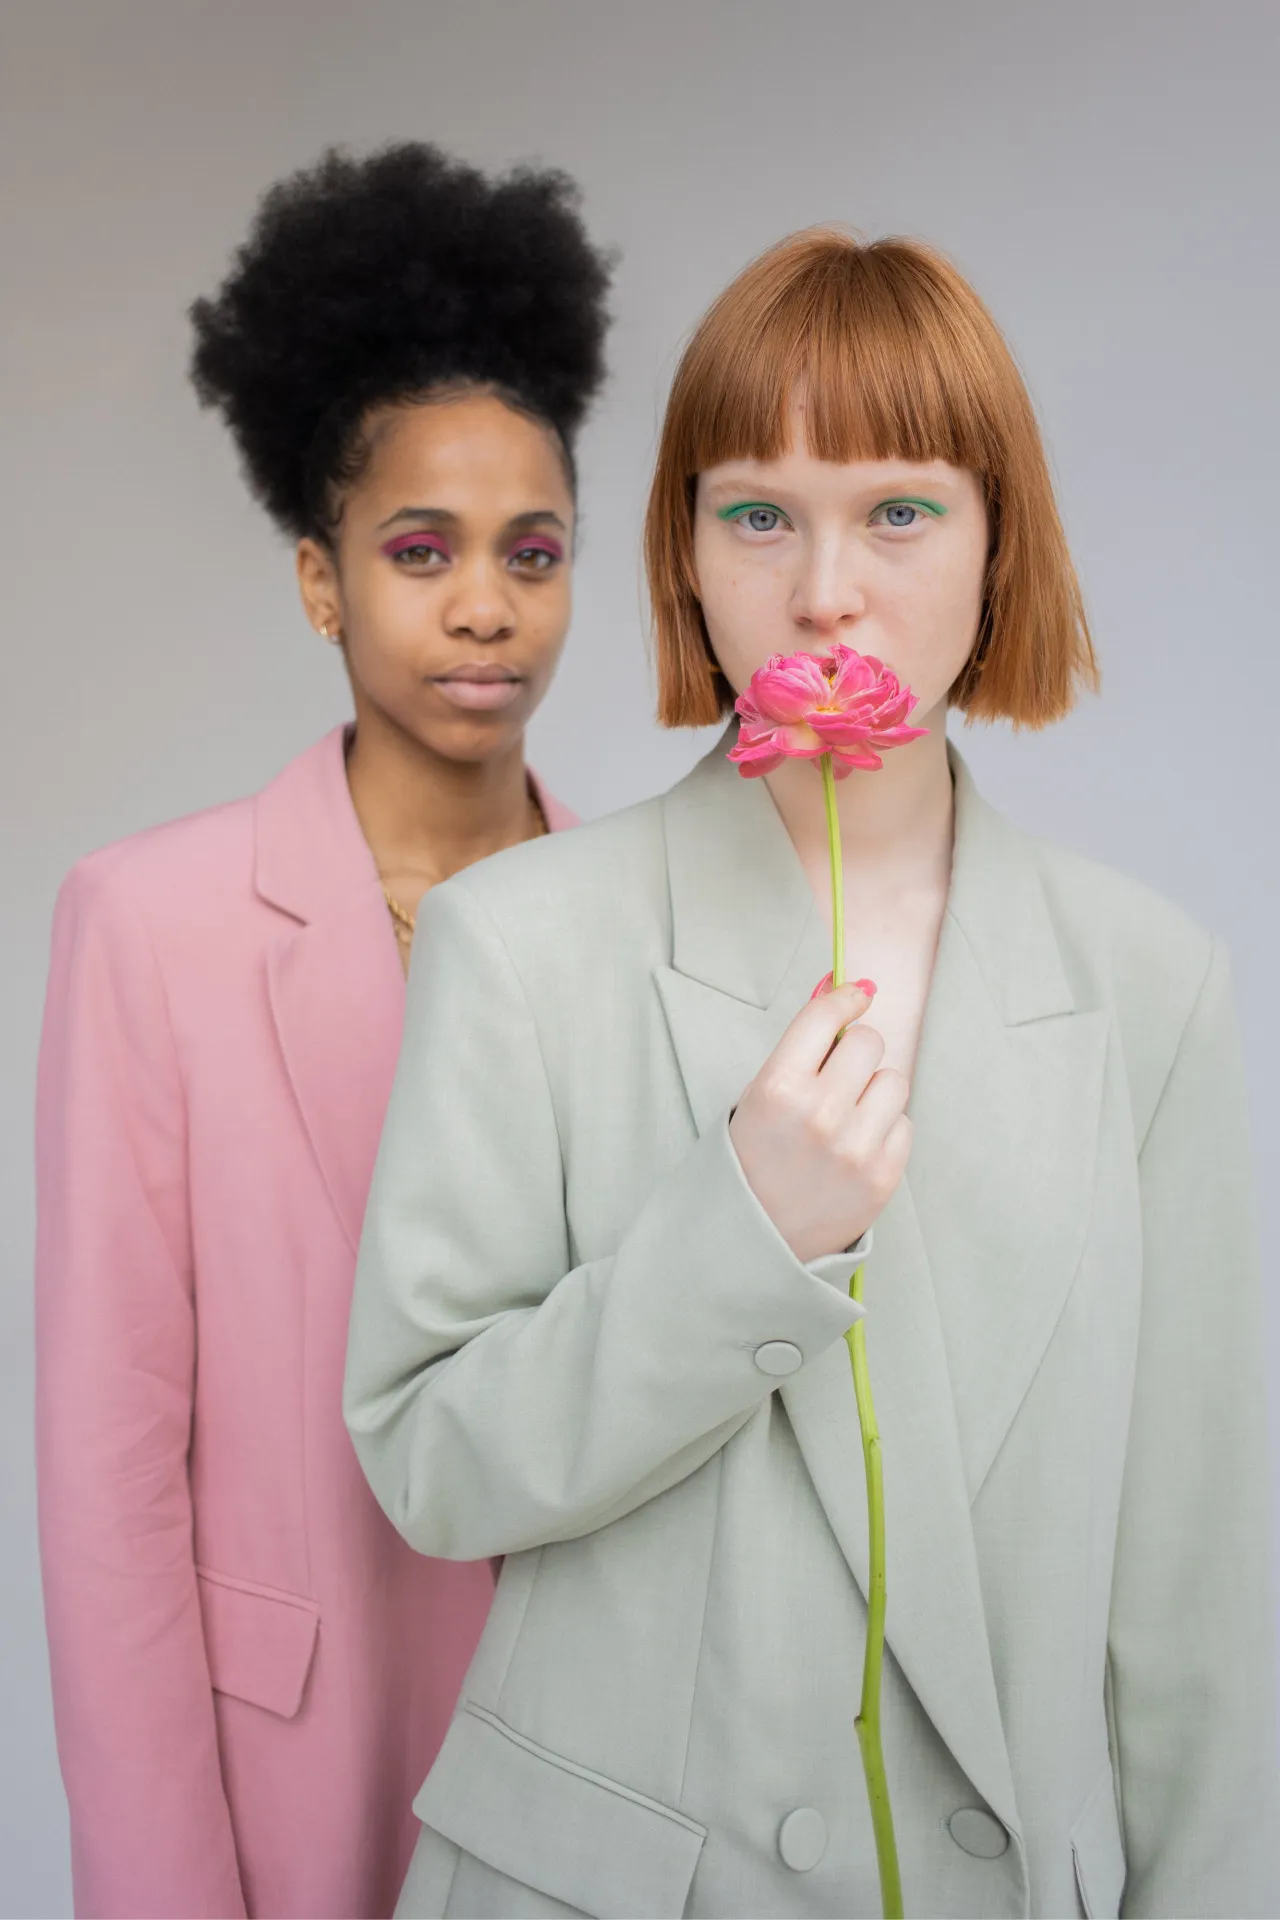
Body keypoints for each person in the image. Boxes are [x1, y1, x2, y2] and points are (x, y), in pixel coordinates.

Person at [344, 228, 1278, 1919]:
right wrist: (738, 1238)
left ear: (1001, 544)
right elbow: (432, 1463)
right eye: (758, 514)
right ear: (686, 550)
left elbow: (1194, 1589)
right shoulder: (518, 939)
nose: (826, 590)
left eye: (900, 511)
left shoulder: (1149, 985)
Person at [35, 142, 611, 1919]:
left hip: (608, 1775)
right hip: (301, 1767)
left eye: (532, 552)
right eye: (420, 551)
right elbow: (111, 1483)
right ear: (318, 579)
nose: (483, 605)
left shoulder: (646, 931)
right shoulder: (150, 925)